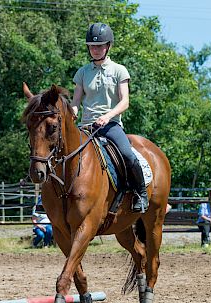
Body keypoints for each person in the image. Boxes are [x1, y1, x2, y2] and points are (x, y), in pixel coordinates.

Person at [71, 23, 148, 213]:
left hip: (110, 125)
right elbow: (76, 102)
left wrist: (108, 116)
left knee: (128, 154)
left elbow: (125, 102)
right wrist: (71, 113)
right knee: (60, 152)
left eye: (99, 46)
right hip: (86, 126)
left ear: (108, 46)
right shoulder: (82, 72)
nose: (95, 50)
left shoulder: (119, 70)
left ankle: (140, 193)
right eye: (92, 46)